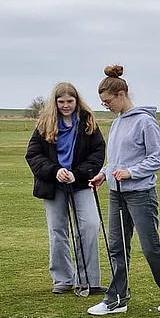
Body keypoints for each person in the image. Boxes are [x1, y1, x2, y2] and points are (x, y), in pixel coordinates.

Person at [87, 64, 160, 315]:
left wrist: (131, 172)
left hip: (141, 194)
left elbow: (157, 158)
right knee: (117, 246)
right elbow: (117, 160)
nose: (106, 106)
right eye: (103, 103)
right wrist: (104, 174)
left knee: (150, 246)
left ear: (121, 95)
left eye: (108, 101)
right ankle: (117, 299)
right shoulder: (117, 123)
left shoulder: (145, 122)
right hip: (117, 193)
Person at [25, 82, 106, 294]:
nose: (66, 105)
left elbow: (98, 153)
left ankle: (88, 280)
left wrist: (77, 174)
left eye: (70, 101)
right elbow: (33, 154)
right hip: (53, 185)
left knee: (89, 226)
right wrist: (55, 171)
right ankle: (62, 279)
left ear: (77, 101)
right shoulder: (45, 123)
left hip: (80, 183)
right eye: (61, 102)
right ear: (55, 102)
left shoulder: (88, 122)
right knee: (57, 230)